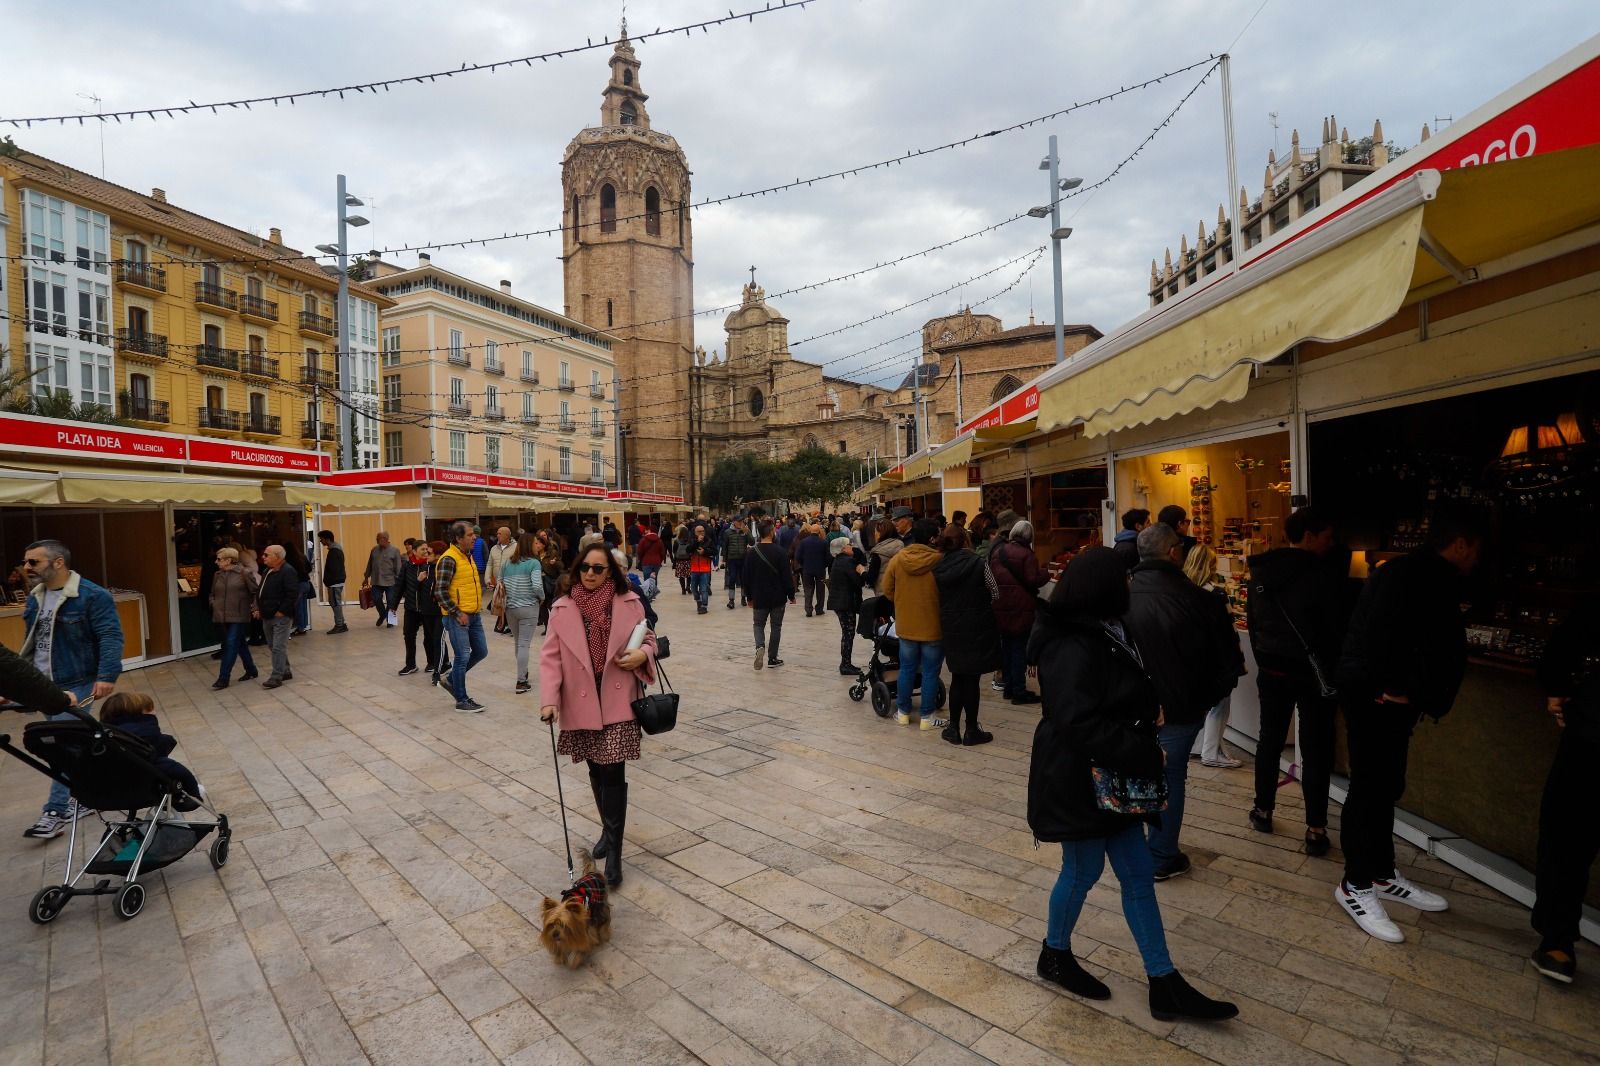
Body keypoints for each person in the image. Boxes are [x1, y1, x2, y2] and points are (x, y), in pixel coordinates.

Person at [1027, 547, 1239, 1022]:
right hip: (1081, 778)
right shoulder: (1070, 641)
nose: (1129, 586)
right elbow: (1076, 719)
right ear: (1100, 587)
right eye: (1122, 579)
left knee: (1139, 875)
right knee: (1081, 873)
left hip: (1114, 776)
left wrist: (1148, 711)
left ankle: (1164, 981)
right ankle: (1054, 954)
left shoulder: (1105, 629)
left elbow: (1111, 693)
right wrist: (1146, 749)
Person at [1333, 509, 1479, 942]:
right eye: (1476, 550)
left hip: (1390, 700)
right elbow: (1382, 635)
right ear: (1460, 545)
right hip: (1375, 697)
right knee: (1369, 787)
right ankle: (1354, 884)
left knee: (1386, 785)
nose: (1477, 559)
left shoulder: (1426, 574)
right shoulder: (1408, 575)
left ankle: (1379, 873)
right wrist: (1393, 686)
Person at [1124, 523, 1243, 881]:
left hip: (1134, 707)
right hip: (1179, 708)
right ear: (1173, 552)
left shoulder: (1120, 596)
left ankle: (1137, 851)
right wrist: (1201, 700)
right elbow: (1229, 664)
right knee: (1170, 776)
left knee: (1137, 769)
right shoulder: (1202, 600)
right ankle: (1160, 855)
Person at [539, 542, 658, 888]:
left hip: (618, 699)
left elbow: (649, 638)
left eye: (598, 568)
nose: (590, 574)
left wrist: (644, 655)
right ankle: (608, 829)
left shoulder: (631, 601)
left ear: (611, 572)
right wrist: (549, 699)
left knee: (613, 772)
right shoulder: (561, 608)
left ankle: (616, 853)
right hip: (580, 700)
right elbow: (550, 658)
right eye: (584, 568)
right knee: (595, 767)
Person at [1245, 507, 1344, 855]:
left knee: (1269, 740)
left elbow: (1253, 623)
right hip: (1313, 672)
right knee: (1316, 747)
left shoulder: (1260, 571)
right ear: (1310, 535)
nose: (1330, 544)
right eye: (1327, 537)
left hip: (1272, 669)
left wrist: (1265, 658)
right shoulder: (1324, 575)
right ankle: (1315, 828)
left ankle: (1263, 810)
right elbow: (1334, 629)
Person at [19, 539, 124, 839]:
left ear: (59, 563)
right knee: (74, 742)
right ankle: (90, 791)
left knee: (61, 745)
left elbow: (110, 635)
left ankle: (55, 809)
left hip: (77, 680)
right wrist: (18, 684)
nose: (27, 568)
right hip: (43, 683)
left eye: (33, 562)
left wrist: (107, 674)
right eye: (26, 561)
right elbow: (31, 643)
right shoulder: (35, 597)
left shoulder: (92, 596)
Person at [1531, 616, 1600, 984]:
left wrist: (1557, 688)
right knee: (1568, 836)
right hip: (1592, 730)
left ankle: (1557, 942)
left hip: (1592, 735)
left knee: (1567, 838)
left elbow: (1568, 641)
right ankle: (1557, 940)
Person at [934, 526, 999, 745]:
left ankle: (953, 728)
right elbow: (994, 591)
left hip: (951, 626)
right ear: (965, 541)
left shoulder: (939, 567)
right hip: (976, 626)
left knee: (957, 676)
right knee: (972, 678)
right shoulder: (979, 564)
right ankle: (971, 729)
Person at [881, 518, 948, 732]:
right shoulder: (940, 560)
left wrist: (902, 602)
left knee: (907, 669)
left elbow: (887, 589)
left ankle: (902, 713)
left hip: (907, 625)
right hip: (933, 626)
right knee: (930, 672)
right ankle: (927, 717)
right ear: (931, 538)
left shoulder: (899, 559)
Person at [1182, 543, 1243, 769]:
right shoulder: (1216, 594)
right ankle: (1211, 750)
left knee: (1203, 703)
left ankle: (1200, 746)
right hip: (1216, 657)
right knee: (1220, 703)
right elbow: (1229, 629)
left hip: (1191, 656)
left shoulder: (1182, 590)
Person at [99, 692, 204, 809]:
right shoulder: (147, 740)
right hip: (141, 792)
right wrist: (194, 794)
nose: (155, 712)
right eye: (150, 710)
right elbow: (175, 769)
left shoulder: (101, 742)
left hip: (99, 795)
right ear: (140, 716)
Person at [991, 519, 1048, 704]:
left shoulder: (998, 552)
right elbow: (1032, 580)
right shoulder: (1027, 555)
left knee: (1006, 648)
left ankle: (1008, 687)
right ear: (1029, 536)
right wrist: (1046, 574)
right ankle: (1019, 691)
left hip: (1000, 605)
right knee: (1018, 649)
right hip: (1021, 608)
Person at [434, 521, 489, 713]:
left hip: (473, 615)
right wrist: (457, 612)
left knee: (481, 651)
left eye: (474, 534)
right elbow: (439, 591)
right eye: (469, 535)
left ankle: (450, 680)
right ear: (458, 538)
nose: (474, 537)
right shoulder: (449, 559)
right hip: (457, 617)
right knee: (463, 656)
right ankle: (461, 700)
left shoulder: (467, 556)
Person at [743, 518, 794, 670]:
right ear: (771, 532)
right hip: (777, 597)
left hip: (759, 596)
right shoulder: (780, 552)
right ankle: (772, 658)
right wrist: (791, 594)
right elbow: (787, 576)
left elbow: (746, 577)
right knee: (776, 627)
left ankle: (760, 647)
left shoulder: (752, 553)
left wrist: (749, 597)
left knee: (758, 624)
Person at [501, 533, 546, 693]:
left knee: (518, 643)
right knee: (524, 644)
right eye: (535, 542)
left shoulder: (507, 563)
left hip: (510, 608)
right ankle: (521, 681)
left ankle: (523, 672)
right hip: (528, 607)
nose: (537, 545)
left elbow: (500, 583)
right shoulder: (534, 563)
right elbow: (537, 586)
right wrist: (542, 597)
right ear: (529, 545)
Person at [209, 547, 259, 689]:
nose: (216, 562)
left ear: (229, 560)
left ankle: (223, 678)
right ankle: (251, 670)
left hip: (239, 614)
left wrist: (255, 608)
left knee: (230, 644)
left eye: (219, 559)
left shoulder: (244, 573)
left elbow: (255, 592)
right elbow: (212, 593)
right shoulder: (217, 575)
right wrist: (213, 604)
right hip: (221, 616)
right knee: (240, 643)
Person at [254, 545, 299, 689]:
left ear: (278, 557)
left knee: (278, 647)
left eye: (267, 555)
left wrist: (282, 611)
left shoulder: (287, 571)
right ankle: (285, 670)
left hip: (280, 616)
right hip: (267, 614)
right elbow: (261, 591)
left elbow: (292, 593)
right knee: (273, 645)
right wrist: (258, 608)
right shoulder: (268, 570)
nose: (263, 557)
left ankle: (276, 676)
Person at [398, 542, 440, 677]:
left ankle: (432, 663)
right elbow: (401, 586)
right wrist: (392, 605)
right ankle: (411, 665)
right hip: (411, 608)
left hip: (426, 609)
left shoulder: (430, 566)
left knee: (429, 637)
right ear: (414, 551)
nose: (425, 552)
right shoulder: (407, 566)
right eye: (422, 549)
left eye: (427, 549)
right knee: (409, 636)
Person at [828, 538, 866, 675]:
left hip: (840, 601)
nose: (852, 547)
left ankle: (845, 663)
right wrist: (862, 572)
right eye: (849, 545)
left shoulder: (838, 560)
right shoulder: (848, 561)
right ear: (843, 548)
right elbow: (858, 581)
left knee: (847, 632)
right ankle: (845, 664)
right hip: (845, 602)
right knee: (848, 633)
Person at [362, 532, 404, 628]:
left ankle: (391, 621)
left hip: (391, 581)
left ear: (384, 539)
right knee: (376, 599)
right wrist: (365, 578)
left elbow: (398, 566)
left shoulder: (395, 550)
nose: (376, 540)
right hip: (376, 580)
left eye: (378, 538)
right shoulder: (374, 550)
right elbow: (370, 564)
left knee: (391, 601)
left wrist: (400, 581)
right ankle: (383, 615)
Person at [796, 522, 831, 617]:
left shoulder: (804, 542)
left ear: (811, 530)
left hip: (807, 569)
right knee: (820, 590)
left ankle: (808, 609)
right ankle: (819, 609)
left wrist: (803, 564)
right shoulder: (823, 542)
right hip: (820, 569)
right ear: (819, 531)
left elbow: (798, 556)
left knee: (808, 589)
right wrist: (824, 565)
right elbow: (828, 557)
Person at [486, 526, 516, 635]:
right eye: (497, 533)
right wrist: (487, 579)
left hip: (511, 581)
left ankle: (511, 626)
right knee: (500, 604)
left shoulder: (516, 547)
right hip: (498, 582)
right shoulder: (494, 548)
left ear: (507, 535)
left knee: (510, 605)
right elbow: (489, 564)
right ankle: (505, 625)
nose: (497, 535)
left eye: (499, 533)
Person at [317, 530, 348, 634]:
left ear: (327, 539)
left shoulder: (334, 551)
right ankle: (341, 624)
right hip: (335, 582)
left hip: (335, 583)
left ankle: (340, 625)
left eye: (321, 539)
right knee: (335, 603)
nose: (320, 541)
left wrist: (329, 581)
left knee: (335, 603)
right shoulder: (334, 550)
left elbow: (334, 569)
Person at [864, 517, 904, 595]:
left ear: (880, 533)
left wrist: (862, 571)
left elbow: (871, 578)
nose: (874, 534)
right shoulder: (900, 545)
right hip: (899, 589)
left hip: (884, 591)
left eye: (875, 531)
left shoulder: (878, 552)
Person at [537, 530, 565, 633]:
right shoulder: (534, 555)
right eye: (535, 543)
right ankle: (547, 627)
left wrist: (555, 563)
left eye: (539, 543)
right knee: (542, 606)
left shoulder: (552, 553)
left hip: (549, 582)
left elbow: (561, 566)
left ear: (544, 544)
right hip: (539, 583)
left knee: (551, 604)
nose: (537, 545)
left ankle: (557, 626)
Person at [722, 517, 750, 609]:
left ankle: (743, 598)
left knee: (743, 579)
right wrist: (724, 560)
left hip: (743, 559)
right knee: (732, 579)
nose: (741, 523)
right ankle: (731, 600)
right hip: (732, 559)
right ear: (734, 522)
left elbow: (752, 542)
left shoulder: (745, 531)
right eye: (739, 521)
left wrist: (747, 533)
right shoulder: (728, 532)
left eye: (742, 521)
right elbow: (725, 547)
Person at [688, 524, 714, 614]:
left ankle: (704, 606)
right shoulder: (691, 540)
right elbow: (688, 550)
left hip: (705, 568)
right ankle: (698, 601)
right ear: (695, 532)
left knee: (703, 589)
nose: (701, 533)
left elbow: (715, 551)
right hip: (694, 568)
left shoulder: (709, 540)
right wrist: (696, 542)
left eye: (703, 531)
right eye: (699, 531)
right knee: (693, 588)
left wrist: (704, 552)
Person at [672, 522, 694, 595]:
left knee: (681, 575)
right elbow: (691, 550)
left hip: (679, 560)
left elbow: (674, 551)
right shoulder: (689, 541)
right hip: (688, 560)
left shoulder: (676, 541)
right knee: (689, 574)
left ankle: (683, 590)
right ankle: (688, 586)